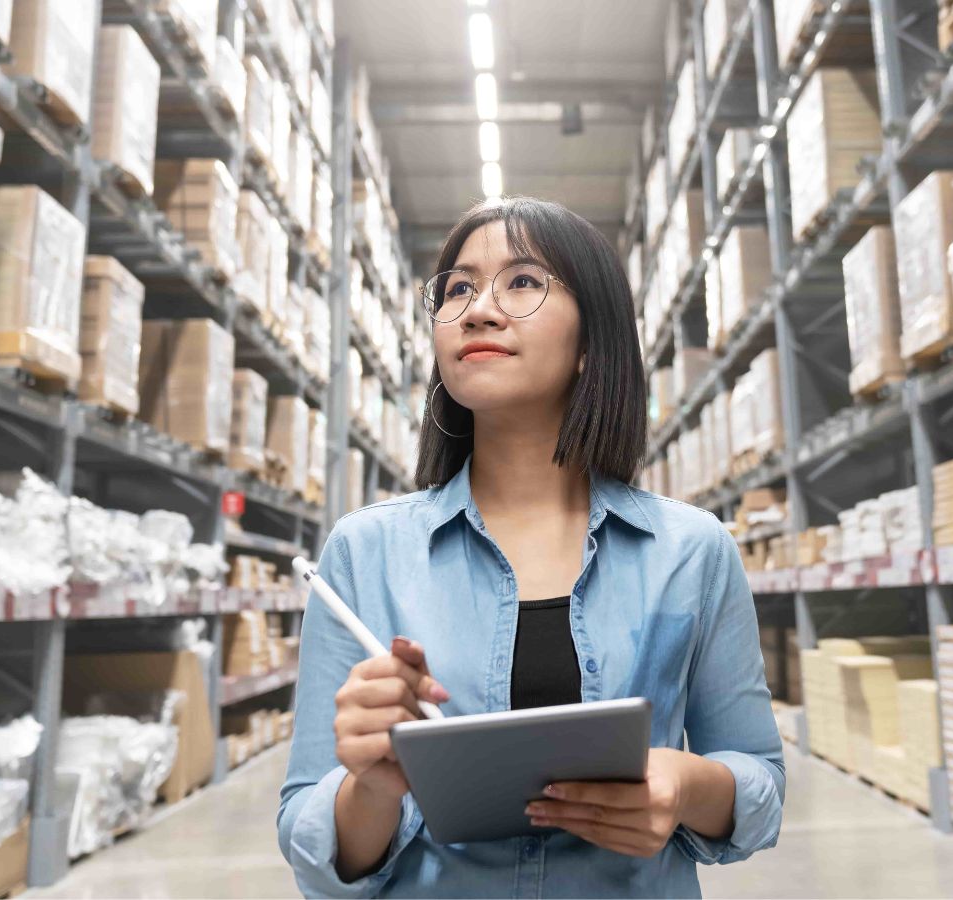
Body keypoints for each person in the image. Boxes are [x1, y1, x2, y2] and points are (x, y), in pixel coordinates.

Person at [277, 197, 785, 898]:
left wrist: (685, 784)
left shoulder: (690, 551)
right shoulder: (364, 553)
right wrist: (372, 786)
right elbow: (312, 838)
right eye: (458, 288)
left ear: (590, 342)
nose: (478, 310)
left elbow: (759, 780)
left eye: (522, 282)